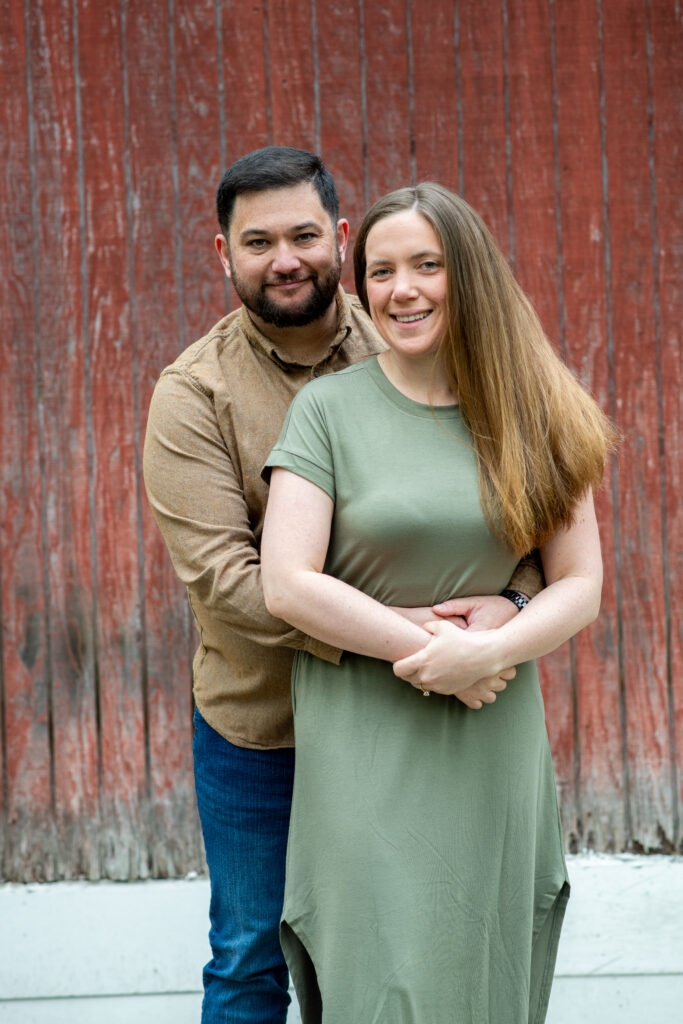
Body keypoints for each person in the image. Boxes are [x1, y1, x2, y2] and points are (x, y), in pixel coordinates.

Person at [143, 150, 543, 1024]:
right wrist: (417, 637)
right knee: (253, 956)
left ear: (340, 238)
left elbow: (512, 511)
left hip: (409, 720)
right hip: (267, 729)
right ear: (223, 255)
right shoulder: (191, 395)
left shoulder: (417, 332)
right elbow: (229, 583)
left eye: (302, 234)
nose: (283, 258)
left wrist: (508, 609)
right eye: (257, 242)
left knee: (401, 941)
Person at [261, 182, 619, 1023]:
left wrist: (490, 651)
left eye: (427, 264)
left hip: (490, 738)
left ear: (470, 275)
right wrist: (434, 657)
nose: (401, 289)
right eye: (379, 271)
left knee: (483, 966)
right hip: (364, 740)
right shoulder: (327, 411)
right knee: (380, 973)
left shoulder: (536, 407)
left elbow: (581, 585)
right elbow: (286, 582)